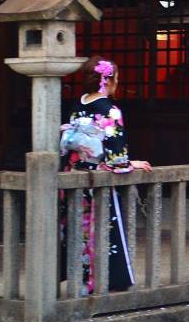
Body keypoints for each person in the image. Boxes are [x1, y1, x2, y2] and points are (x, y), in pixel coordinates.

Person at [59, 56, 152, 295]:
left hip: (73, 175)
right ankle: (101, 281)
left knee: (76, 229)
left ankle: (80, 280)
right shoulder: (110, 110)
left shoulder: (77, 105)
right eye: (117, 78)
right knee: (102, 229)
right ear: (108, 80)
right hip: (97, 179)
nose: (118, 83)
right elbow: (116, 158)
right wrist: (131, 163)